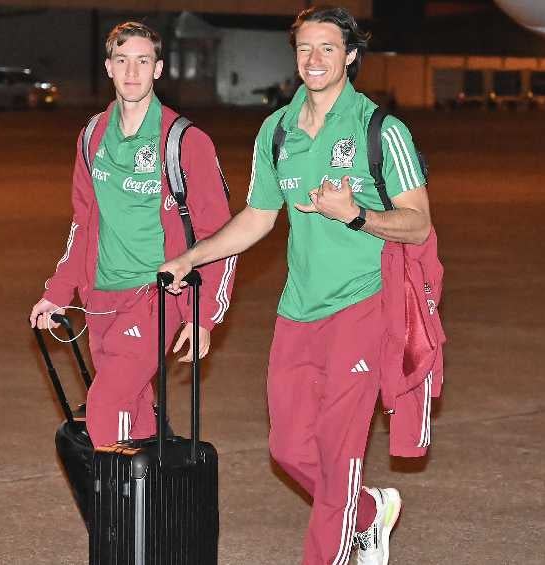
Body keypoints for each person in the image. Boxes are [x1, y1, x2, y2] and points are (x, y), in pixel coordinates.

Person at [160, 6, 434, 564]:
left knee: (338, 456)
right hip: (298, 310)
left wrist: (356, 213)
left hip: (364, 305)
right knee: (287, 449)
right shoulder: (278, 130)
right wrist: (194, 256)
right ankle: (365, 513)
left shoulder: (381, 130)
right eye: (305, 49)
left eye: (328, 49)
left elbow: (418, 222)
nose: (314, 60)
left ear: (351, 56)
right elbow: (258, 216)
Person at [30, 21, 236, 448]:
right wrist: (58, 291)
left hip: (157, 297)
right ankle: (146, 512)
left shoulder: (185, 142)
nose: (132, 72)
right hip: (101, 297)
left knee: (105, 405)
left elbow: (220, 235)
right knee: (135, 410)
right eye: (122, 61)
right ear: (108, 67)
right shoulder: (92, 136)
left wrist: (204, 316)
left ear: (158, 69)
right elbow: (84, 221)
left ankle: (111, 512)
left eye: (143, 61)